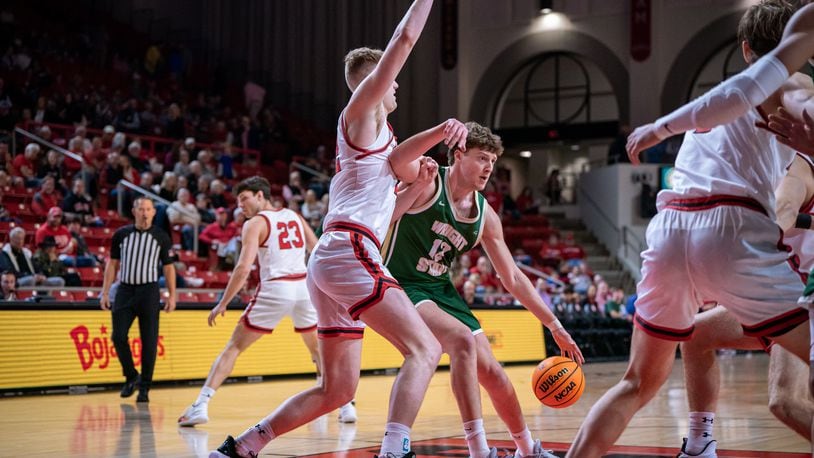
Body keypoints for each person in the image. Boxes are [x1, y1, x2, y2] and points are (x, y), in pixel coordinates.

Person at [210, 1, 467, 456]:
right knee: (425, 349)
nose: (398, 87)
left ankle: (243, 447)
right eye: (391, 80)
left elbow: (389, 211)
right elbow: (404, 40)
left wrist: (420, 180)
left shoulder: (381, 146)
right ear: (375, 80)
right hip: (348, 252)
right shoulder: (361, 113)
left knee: (338, 390)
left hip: (336, 255)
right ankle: (394, 448)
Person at [568, 2, 813, 455]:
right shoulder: (793, 81)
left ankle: (695, 446)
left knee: (636, 384)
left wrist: (660, 128)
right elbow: (802, 107)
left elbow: (736, 94)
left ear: (744, 49)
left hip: (669, 228)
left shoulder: (717, 98)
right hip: (733, 226)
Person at [385, 122, 583, 458]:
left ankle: (526, 449)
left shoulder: (485, 217)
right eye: (481, 158)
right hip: (402, 283)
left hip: (440, 288)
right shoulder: (427, 177)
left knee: (493, 373)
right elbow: (395, 160)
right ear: (459, 155)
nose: (489, 167)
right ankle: (479, 450)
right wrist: (437, 133)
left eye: (493, 160)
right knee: (461, 340)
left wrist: (555, 325)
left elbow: (514, 279)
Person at [177, 177, 356, 427]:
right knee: (317, 350)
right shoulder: (294, 215)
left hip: (276, 287)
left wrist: (222, 302)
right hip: (303, 287)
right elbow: (317, 250)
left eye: (244, 198)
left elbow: (242, 267)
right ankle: (346, 406)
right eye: (238, 201)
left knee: (234, 347)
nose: (240, 205)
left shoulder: (255, 223)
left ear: (260, 196)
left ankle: (200, 405)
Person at [100, 197, 176, 403]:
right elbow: (112, 264)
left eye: (148, 209)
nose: (144, 213)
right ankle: (132, 376)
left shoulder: (161, 236)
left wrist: (172, 295)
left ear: (153, 212)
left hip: (149, 291)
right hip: (124, 290)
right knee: (118, 336)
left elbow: (168, 268)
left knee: (149, 342)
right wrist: (105, 292)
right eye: (141, 209)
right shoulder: (121, 235)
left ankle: (145, 388)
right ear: (134, 211)